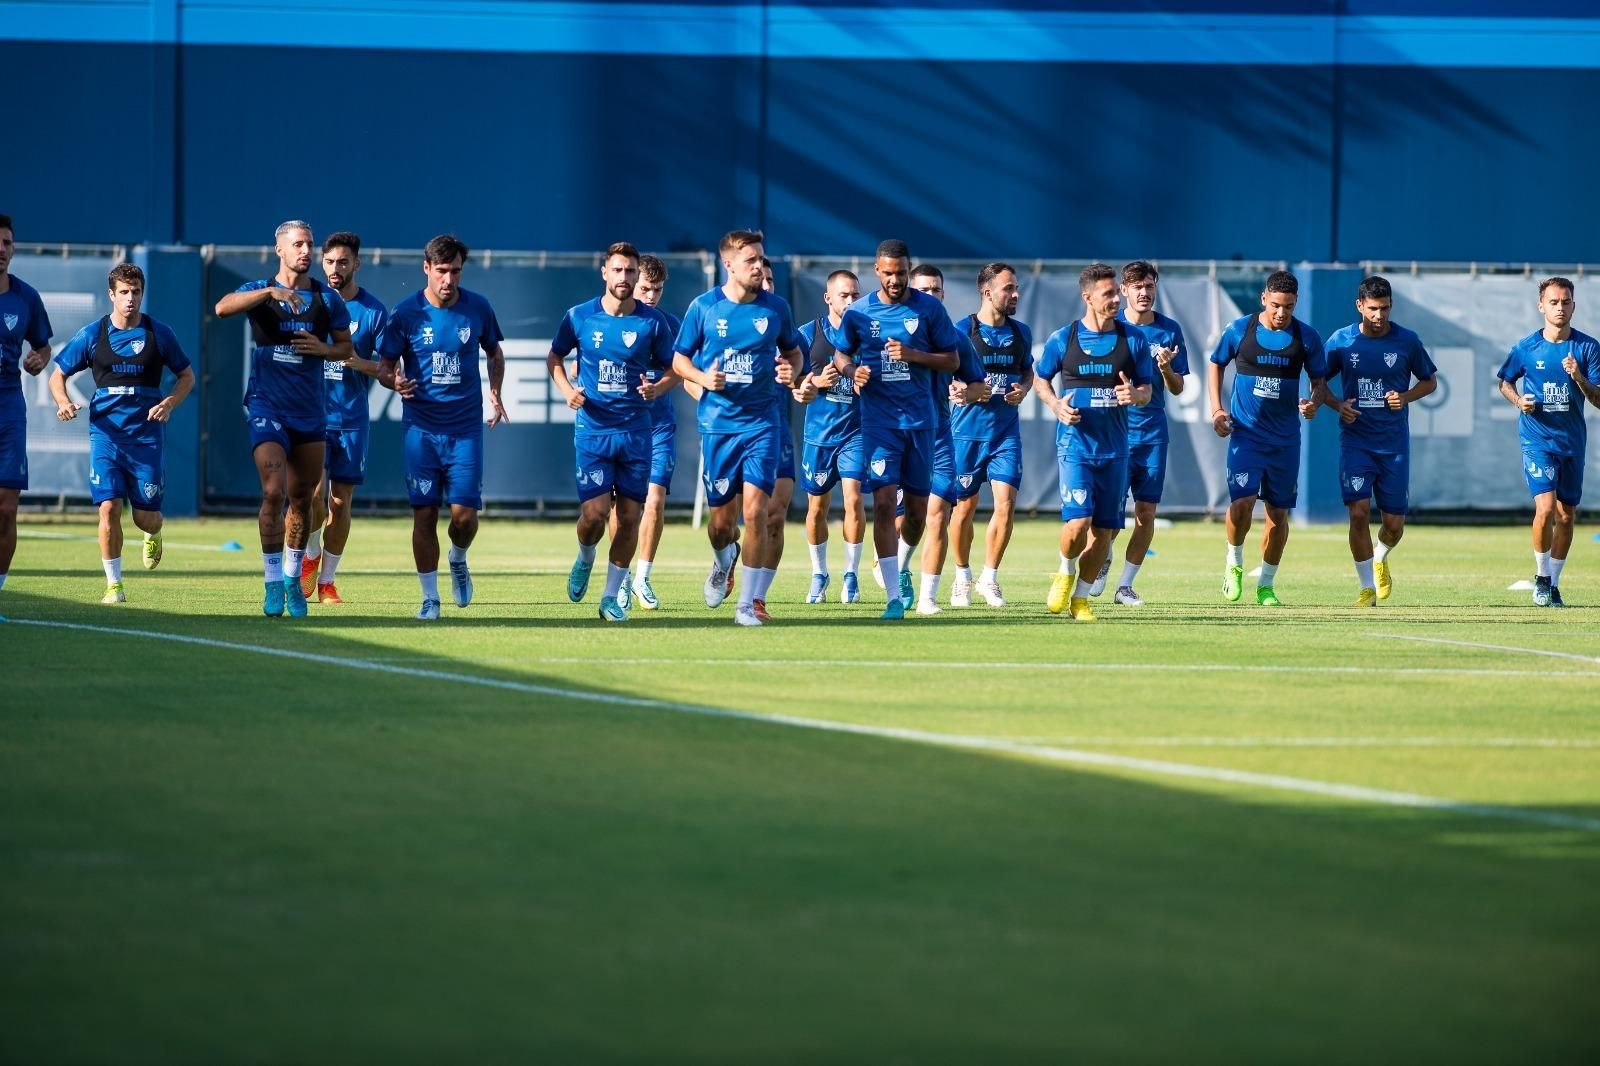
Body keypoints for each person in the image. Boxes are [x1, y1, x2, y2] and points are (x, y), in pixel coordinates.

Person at [214, 220, 353, 617]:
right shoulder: (260, 292)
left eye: (309, 244)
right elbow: (221, 308)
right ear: (279, 249)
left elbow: (345, 348)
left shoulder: (327, 300)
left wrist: (321, 349)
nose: (306, 251)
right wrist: (269, 292)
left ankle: (293, 578)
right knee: (273, 492)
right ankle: (272, 581)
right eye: (298, 245)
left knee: (303, 499)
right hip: (266, 406)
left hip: (309, 413)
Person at [671, 230, 805, 627]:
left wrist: (790, 371)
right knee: (721, 525)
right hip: (718, 427)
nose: (759, 267)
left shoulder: (775, 307)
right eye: (751, 261)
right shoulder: (704, 307)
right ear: (728, 264)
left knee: (757, 512)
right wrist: (702, 377)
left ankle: (747, 605)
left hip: (763, 424)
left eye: (762, 260)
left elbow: (794, 352)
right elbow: (679, 361)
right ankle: (721, 558)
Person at [376, 234, 507, 620]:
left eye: (455, 272)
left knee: (464, 518)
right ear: (427, 269)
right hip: (421, 430)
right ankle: (430, 598)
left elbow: (494, 352)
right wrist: (393, 381)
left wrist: (495, 393)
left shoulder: (478, 308)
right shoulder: (405, 313)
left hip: (465, 430)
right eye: (441, 271)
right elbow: (384, 366)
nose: (448, 280)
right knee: (424, 516)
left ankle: (458, 558)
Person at [548, 242, 679, 622]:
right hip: (594, 429)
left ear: (638, 275)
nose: (625, 278)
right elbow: (555, 357)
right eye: (618, 270)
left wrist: (658, 388)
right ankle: (586, 555)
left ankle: (611, 597)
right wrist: (567, 391)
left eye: (631, 271)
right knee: (594, 514)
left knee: (631, 515)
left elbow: (674, 368)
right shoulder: (579, 317)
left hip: (637, 432)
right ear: (605, 272)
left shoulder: (653, 323)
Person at [831, 240, 962, 620]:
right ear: (877, 270)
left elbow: (952, 359)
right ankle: (892, 597)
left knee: (919, 514)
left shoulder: (930, 310)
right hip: (879, 425)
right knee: (885, 504)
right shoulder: (859, 313)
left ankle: (901, 565)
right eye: (888, 273)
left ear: (908, 269)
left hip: (921, 423)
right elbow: (841, 354)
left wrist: (913, 355)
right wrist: (853, 371)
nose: (894, 279)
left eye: (900, 272)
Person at [48, 264, 192, 602]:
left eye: (136, 292)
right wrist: (63, 401)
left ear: (142, 293)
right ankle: (114, 585)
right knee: (109, 507)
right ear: (111, 295)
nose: (130, 299)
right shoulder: (92, 335)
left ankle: (154, 532)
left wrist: (169, 403)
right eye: (124, 292)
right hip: (106, 436)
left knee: (145, 517)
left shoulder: (160, 334)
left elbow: (187, 377)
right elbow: (57, 376)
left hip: (146, 437)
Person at [1034, 263, 1153, 621]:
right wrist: (1056, 405)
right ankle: (1065, 570)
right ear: (1087, 296)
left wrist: (1135, 394)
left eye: (1117, 292)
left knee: (1105, 530)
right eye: (1108, 294)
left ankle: (1081, 599)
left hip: (1115, 450)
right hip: (1075, 448)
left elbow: (1147, 391)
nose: (1116, 299)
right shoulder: (1064, 339)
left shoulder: (1133, 339)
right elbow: (1040, 380)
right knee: (1078, 523)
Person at [1207, 269, 1327, 607]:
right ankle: (1234, 563)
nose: (1281, 313)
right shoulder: (1239, 330)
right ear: (1264, 299)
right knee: (1242, 504)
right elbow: (1216, 364)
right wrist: (1217, 411)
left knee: (1278, 515)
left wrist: (1313, 403)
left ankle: (1267, 585)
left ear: (1296, 304)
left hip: (1285, 441)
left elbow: (1319, 383)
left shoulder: (1307, 338)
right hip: (1246, 436)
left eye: (1288, 306)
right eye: (1275, 305)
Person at [1322, 275, 1437, 605]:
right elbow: (1319, 381)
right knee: (1358, 513)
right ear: (1360, 306)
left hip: (1393, 444)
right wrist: (1336, 404)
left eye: (1385, 308)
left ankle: (1381, 556)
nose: (1379, 315)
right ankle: (1365, 587)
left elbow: (1429, 382)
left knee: (1394, 524)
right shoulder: (1341, 341)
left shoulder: (1407, 341)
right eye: (1373, 309)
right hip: (1356, 441)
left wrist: (1406, 396)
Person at [1497, 275, 1600, 607]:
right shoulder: (1526, 348)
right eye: (1553, 302)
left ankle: (1554, 583)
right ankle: (1541, 577)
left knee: (1567, 515)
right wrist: (1519, 401)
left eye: (1565, 301)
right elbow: (1505, 382)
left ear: (1574, 305)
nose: (1560, 307)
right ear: (1541, 306)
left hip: (1572, 440)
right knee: (1545, 508)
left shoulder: (1587, 348)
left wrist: (1579, 377)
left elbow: (1598, 400)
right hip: (1537, 438)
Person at [298, 231, 386, 604]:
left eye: (343, 262)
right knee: (314, 495)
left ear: (356, 264)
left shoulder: (373, 312)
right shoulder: (310, 301)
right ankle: (311, 554)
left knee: (340, 502)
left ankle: (327, 581)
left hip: (351, 419)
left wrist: (353, 360)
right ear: (323, 262)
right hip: (314, 417)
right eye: (330, 262)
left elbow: (386, 368)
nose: (336, 269)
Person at [902, 264, 989, 615]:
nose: (930, 295)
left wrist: (965, 394)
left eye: (936, 290)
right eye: (923, 289)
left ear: (943, 295)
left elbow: (980, 385)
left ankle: (927, 598)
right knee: (904, 518)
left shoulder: (954, 337)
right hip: (896, 434)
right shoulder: (886, 329)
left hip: (938, 434)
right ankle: (896, 562)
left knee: (937, 511)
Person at [947, 262, 1031, 611]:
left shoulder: (1021, 332)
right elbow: (945, 374)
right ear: (987, 292)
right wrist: (958, 389)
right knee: (964, 507)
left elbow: (1027, 371)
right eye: (1008, 288)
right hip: (966, 433)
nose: (1015, 294)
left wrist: (1023, 390)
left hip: (1004, 433)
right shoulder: (962, 330)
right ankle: (961, 575)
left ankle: (990, 577)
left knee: (1006, 504)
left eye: (1016, 288)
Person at [1107, 260, 1188, 606]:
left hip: (1153, 434)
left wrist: (1167, 369)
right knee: (1108, 517)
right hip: (1115, 434)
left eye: (1149, 286)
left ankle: (1125, 585)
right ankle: (1102, 558)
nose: (1144, 292)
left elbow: (1178, 388)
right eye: (1136, 286)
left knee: (1146, 513)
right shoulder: (1110, 327)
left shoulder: (1169, 331)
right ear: (1124, 290)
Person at [614, 253, 680, 610]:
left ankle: (642, 577)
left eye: (657, 289)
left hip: (659, 427)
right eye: (645, 288)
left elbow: (682, 368)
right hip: (621, 426)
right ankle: (620, 578)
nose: (651, 296)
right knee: (621, 508)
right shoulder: (611, 320)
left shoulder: (670, 324)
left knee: (654, 501)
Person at [798, 270, 866, 604]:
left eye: (855, 295)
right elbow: (791, 381)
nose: (851, 301)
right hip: (819, 435)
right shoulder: (807, 334)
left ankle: (851, 575)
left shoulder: (869, 335)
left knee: (854, 498)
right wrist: (813, 383)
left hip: (857, 433)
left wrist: (867, 383)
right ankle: (819, 573)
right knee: (817, 508)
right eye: (844, 295)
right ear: (828, 298)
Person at [0, 213, 53, 614]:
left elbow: (43, 346)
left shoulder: (26, 298)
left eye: (7, 243)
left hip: (8, 409)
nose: (1, 250)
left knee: (6, 506)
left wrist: (38, 358)